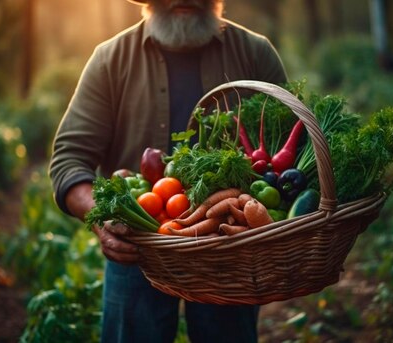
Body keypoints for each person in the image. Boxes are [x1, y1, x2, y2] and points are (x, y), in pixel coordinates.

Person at [49, 0, 287, 341]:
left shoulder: (254, 53)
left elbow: (291, 151)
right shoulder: (110, 58)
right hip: (138, 248)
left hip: (229, 252)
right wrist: (101, 220)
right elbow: (69, 160)